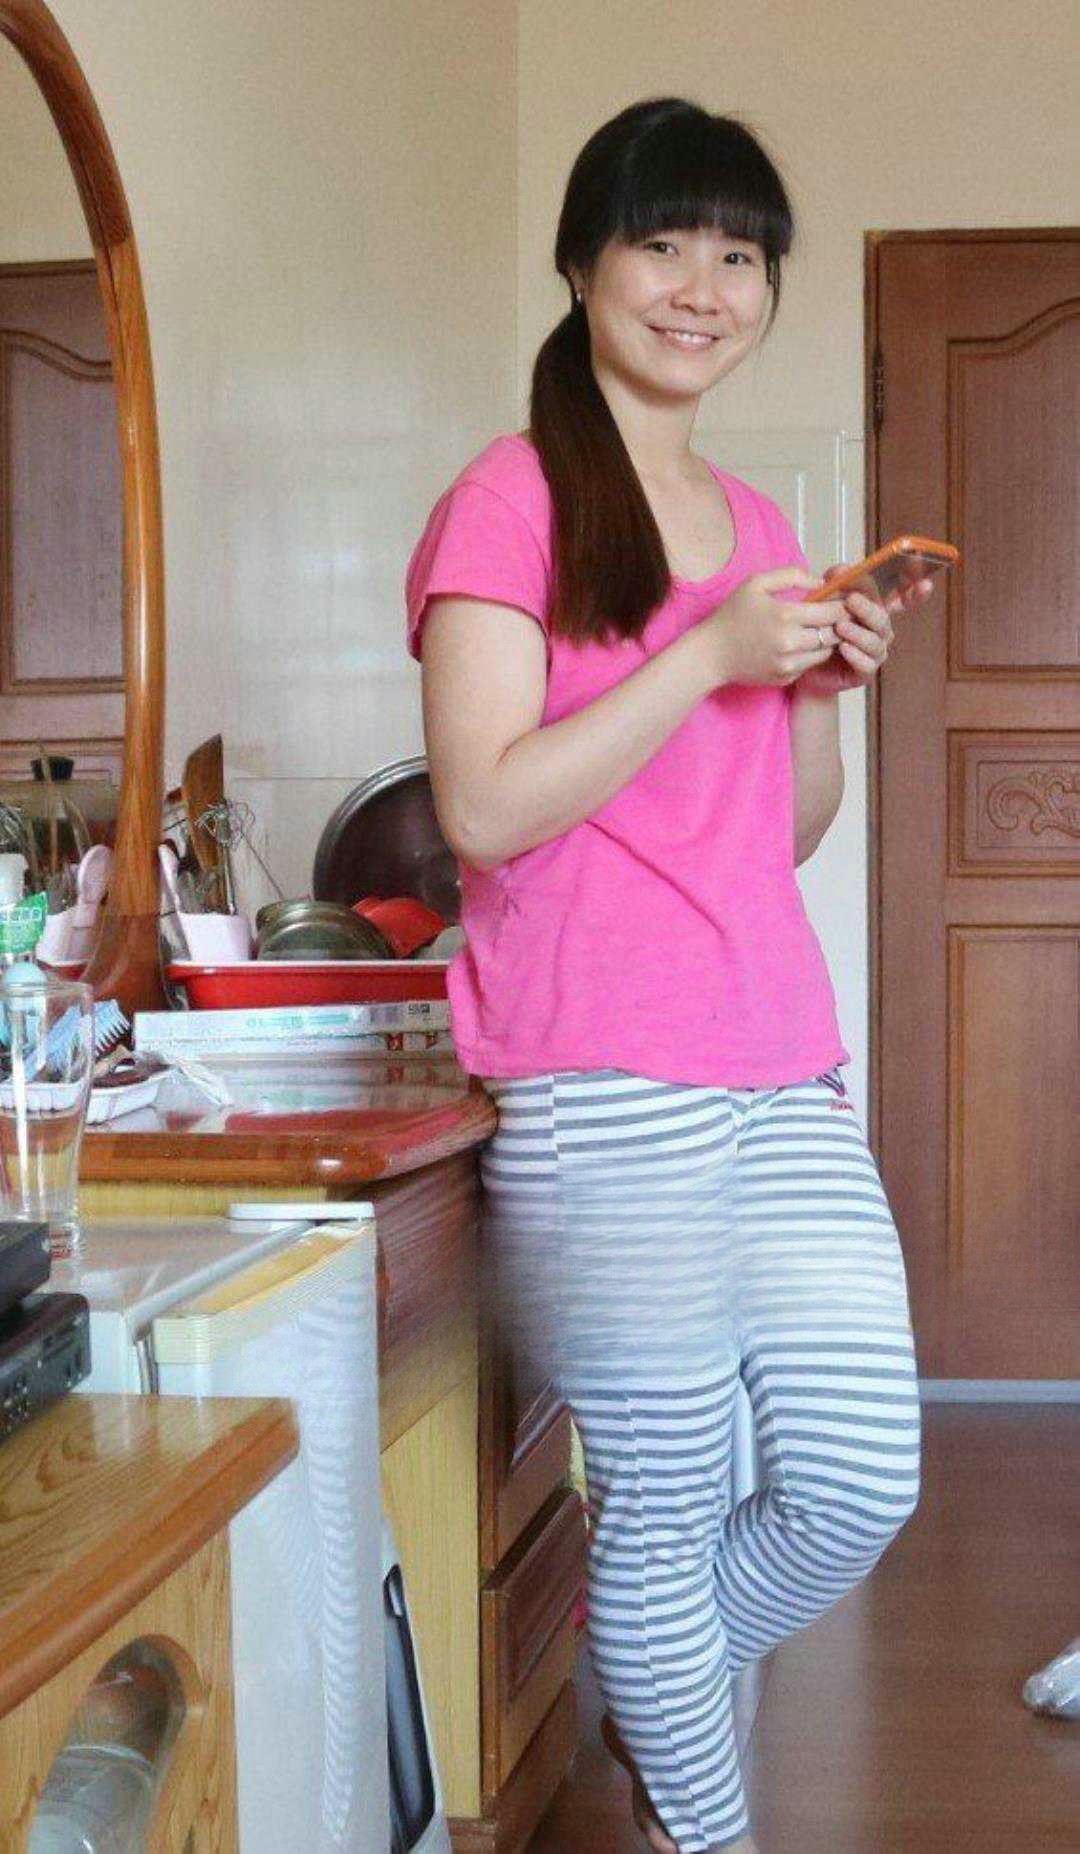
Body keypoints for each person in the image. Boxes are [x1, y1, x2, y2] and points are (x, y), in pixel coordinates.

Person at [405, 96, 926, 1854]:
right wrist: (705, 655)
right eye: (664, 243)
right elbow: (483, 806)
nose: (705, 286)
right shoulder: (509, 496)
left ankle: (651, 1670)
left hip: (778, 1057)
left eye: (741, 255)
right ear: (582, 262)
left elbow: (783, 829)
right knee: (671, 1501)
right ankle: (710, 1820)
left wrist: (814, 691)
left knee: (860, 1473)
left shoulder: (761, 516)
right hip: (599, 1067)